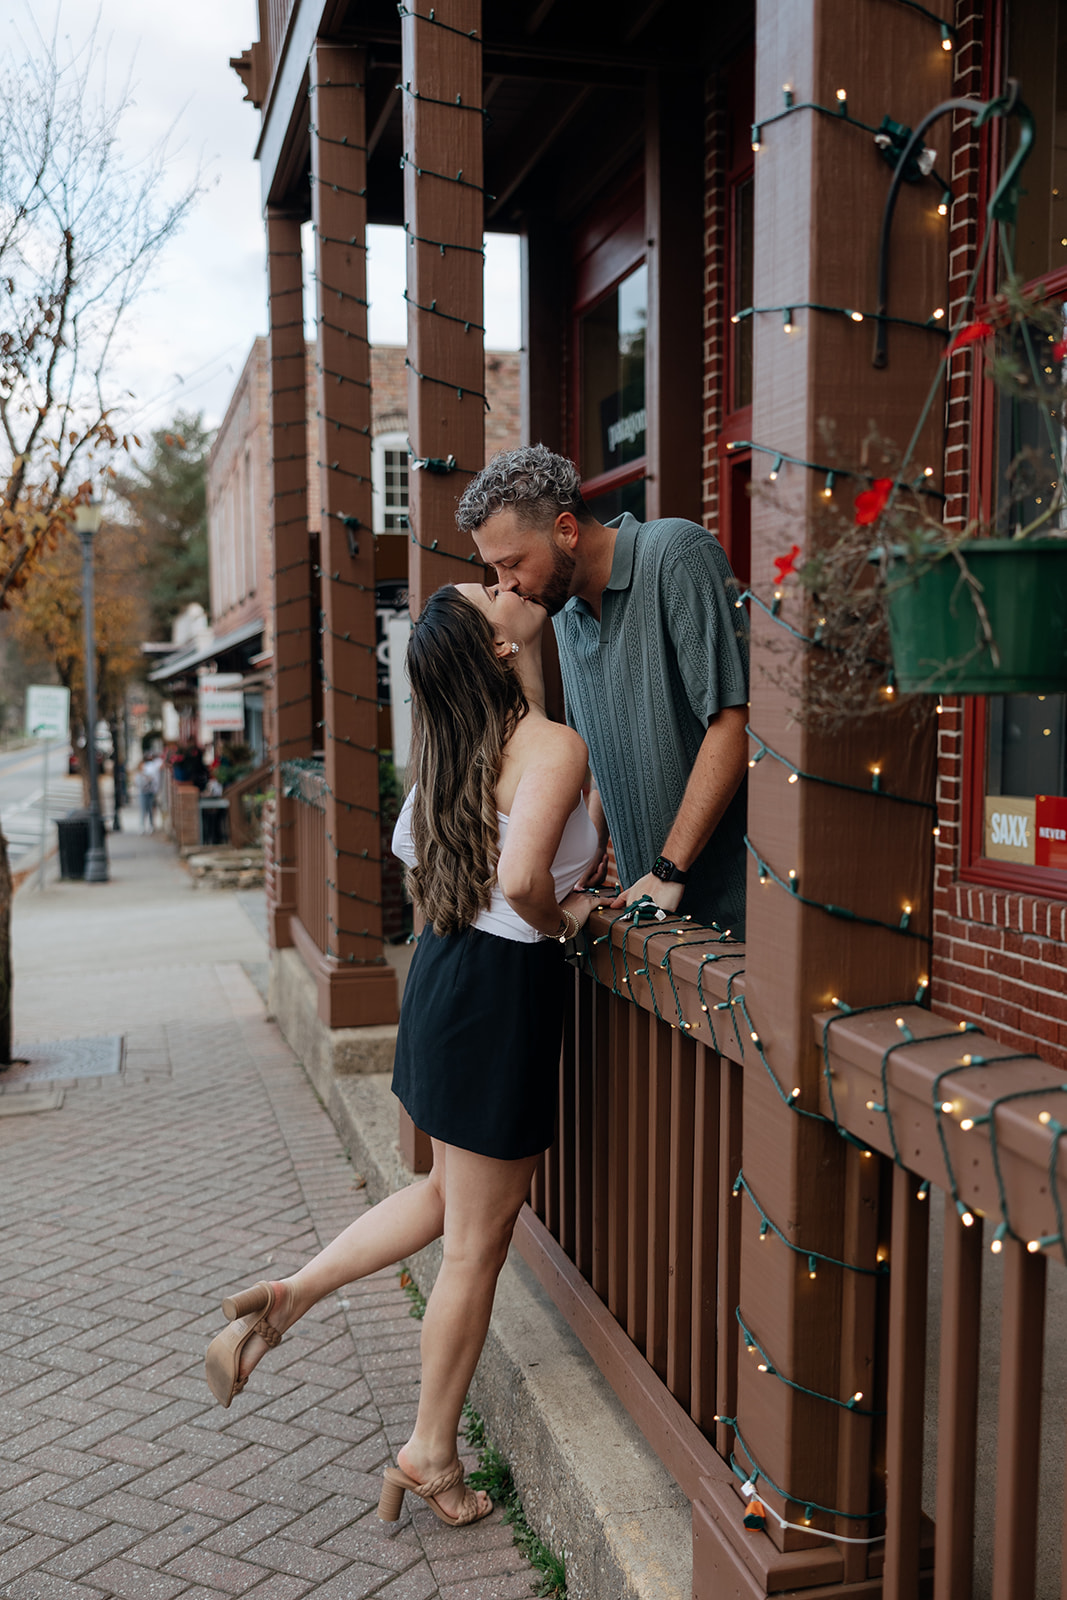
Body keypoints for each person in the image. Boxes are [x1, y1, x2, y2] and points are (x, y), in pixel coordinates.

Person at [204, 582, 600, 1529]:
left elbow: (426, 865)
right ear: (497, 651)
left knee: (440, 1201)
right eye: (492, 593)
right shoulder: (548, 745)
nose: (508, 587)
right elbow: (521, 880)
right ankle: (428, 1452)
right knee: (476, 1241)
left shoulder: (459, 751)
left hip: (444, 976)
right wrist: (571, 916)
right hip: (500, 991)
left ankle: (285, 1299)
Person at [457, 444, 750, 938]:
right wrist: (595, 837)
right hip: (651, 914)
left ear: (566, 531)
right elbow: (599, 739)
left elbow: (734, 723)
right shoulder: (562, 611)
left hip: (735, 909)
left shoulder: (677, 554)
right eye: (495, 572)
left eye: (511, 563)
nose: (506, 586)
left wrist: (668, 869)